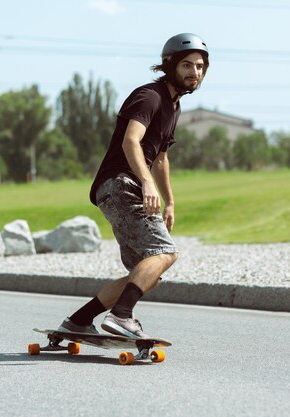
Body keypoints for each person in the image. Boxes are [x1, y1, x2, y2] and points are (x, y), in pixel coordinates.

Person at [58, 33, 209, 338]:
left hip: (120, 187)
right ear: (170, 66)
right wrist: (146, 184)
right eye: (188, 65)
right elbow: (131, 142)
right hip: (122, 183)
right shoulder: (150, 96)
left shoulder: (173, 106)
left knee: (146, 273)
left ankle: (78, 319)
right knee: (165, 252)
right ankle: (121, 316)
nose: (195, 72)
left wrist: (170, 202)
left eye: (201, 66)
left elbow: (161, 158)